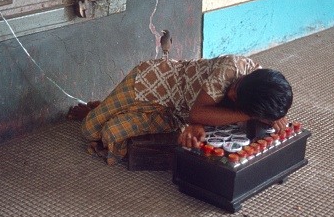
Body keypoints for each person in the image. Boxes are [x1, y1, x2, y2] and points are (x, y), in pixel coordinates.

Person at [67, 55, 293, 165]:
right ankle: (100, 109)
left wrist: (270, 117)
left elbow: (194, 117)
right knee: (89, 129)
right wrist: (248, 113)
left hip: (171, 114)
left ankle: (108, 108)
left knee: (110, 134)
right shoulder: (233, 67)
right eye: (236, 87)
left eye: (237, 99)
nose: (231, 93)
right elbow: (198, 114)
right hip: (151, 83)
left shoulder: (260, 101)